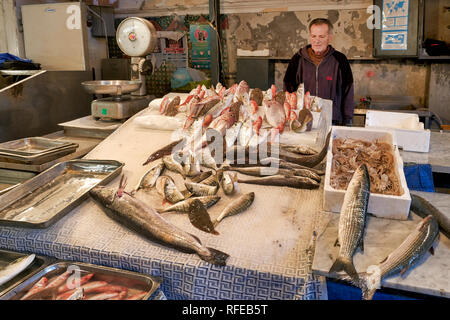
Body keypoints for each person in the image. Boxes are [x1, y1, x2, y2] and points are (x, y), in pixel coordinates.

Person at [283, 18, 354, 126]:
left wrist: (347, 120)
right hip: (303, 120)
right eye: (313, 36)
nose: (317, 41)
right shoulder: (297, 59)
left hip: (332, 121)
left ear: (329, 38)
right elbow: (288, 89)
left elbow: (348, 91)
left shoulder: (340, 60)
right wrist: (288, 115)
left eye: (321, 36)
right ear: (310, 37)